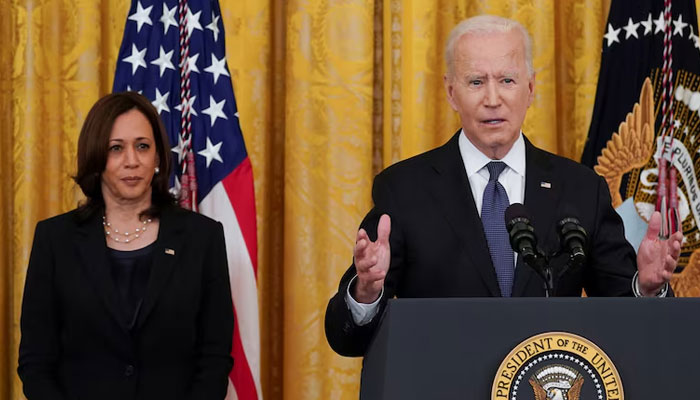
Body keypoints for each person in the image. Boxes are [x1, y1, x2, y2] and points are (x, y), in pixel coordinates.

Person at [324, 15, 683, 357]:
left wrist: (647, 288)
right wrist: (367, 291)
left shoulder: (580, 189)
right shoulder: (404, 189)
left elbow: (624, 315)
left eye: (507, 81)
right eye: (476, 82)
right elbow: (346, 338)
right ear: (451, 92)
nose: (492, 99)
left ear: (530, 88)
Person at [18, 92, 234, 399]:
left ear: (158, 156)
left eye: (142, 146)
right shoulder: (55, 240)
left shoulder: (203, 238)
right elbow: (36, 362)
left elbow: (214, 359)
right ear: (96, 156)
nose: (131, 161)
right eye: (116, 148)